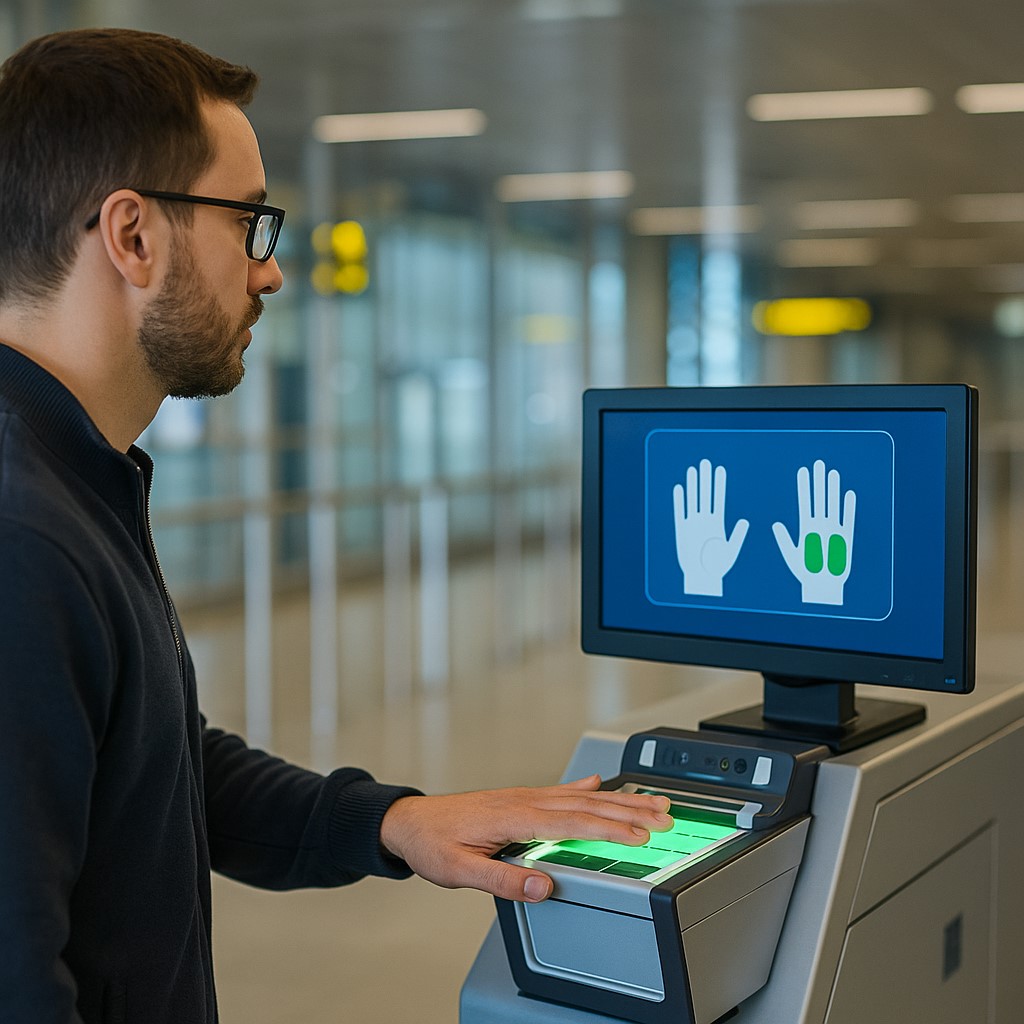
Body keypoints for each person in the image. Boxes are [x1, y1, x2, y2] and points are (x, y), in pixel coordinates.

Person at [0, 28, 673, 1023]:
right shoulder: (25, 537)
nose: (268, 273)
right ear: (132, 236)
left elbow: (147, 768)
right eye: (247, 223)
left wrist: (394, 823)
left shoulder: (71, 480)